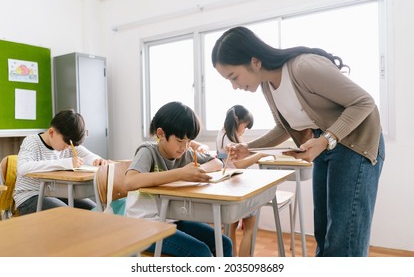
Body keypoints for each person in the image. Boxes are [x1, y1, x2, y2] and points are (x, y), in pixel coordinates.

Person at [211, 26, 385, 257]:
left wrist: (325, 140)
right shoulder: (267, 86)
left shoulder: (303, 68)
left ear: (254, 61)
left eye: (234, 77)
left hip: (356, 144)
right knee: (323, 233)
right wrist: (249, 147)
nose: (234, 86)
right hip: (326, 147)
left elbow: (364, 103)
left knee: (344, 238)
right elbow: (284, 127)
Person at [124, 101, 233, 257]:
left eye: (189, 141)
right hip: (142, 226)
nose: (185, 146)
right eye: (180, 141)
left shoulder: (185, 153)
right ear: (161, 134)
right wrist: (181, 173)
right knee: (201, 253)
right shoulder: (147, 151)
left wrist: (197, 170)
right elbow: (129, 181)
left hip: (171, 220)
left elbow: (216, 162)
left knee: (224, 243)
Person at [15, 109, 107, 215]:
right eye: (66, 144)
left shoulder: (67, 144)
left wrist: (96, 160)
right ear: (51, 132)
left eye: (70, 145)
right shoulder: (32, 142)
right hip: (29, 198)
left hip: (56, 193)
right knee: (69, 215)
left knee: (95, 210)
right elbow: (22, 168)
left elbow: (87, 155)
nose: (68, 147)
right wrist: (64, 163)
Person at [216, 104, 267, 257]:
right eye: (245, 126)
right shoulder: (228, 140)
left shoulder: (224, 134)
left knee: (231, 227)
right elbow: (240, 164)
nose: (244, 130)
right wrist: (260, 155)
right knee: (250, 229)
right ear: (238, 122)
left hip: (231, 185)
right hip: (238, 185)